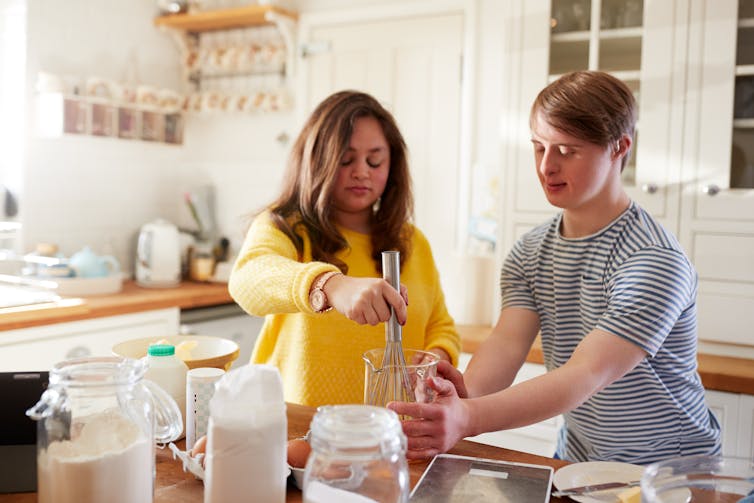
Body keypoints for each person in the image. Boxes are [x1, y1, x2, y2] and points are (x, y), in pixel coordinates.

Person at [388, 71, 722, 465]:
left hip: (671, 470)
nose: (547, 166)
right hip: (580, 461)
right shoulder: (530, 252)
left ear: (619, 148)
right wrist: (460, 398)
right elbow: (507, 343)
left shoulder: (653, 260)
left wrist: (468, 418)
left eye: (566, 150)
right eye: (539, 147)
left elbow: (585, 373)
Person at [228, 90, 460, 407]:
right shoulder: (286, 227)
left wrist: (432, 362)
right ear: (316, 160)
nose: (362, 171)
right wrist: (330, 286)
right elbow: (248, 279)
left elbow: (440, 326)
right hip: (295, 430)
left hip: (389, 432)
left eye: (375, 160)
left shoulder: (412, 242)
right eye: (346, 159)